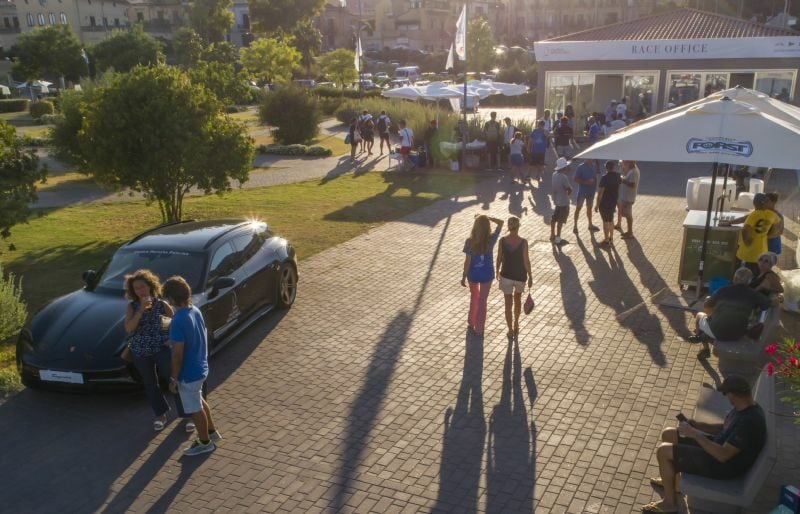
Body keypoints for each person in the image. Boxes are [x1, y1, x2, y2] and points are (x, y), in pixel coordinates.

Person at [641, 375, 767, 514]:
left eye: (726, 394)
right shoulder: (744, 406)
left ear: (733, 395)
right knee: (669, 434)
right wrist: (696, 425)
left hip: (722, 466)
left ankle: (670, 504)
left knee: (663, 451)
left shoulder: (749, 423)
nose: (726, 397)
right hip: (715, 448)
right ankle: (674, 485)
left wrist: (694, 433)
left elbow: (723, 455)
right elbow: (722, 428)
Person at [165, 276, 222, 456]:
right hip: (200, 367)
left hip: (188, 373)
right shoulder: (195, 310)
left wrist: (173, 378)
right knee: (199, 400)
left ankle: (204, 442)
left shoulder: (177, 321)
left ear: (172, 299)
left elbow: (177, 354)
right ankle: (212, 432)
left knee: (194, 409)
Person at [123, 269, 176, 432]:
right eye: (136, 288)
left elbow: (171, 327)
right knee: (150, 384)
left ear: (150, 286)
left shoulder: (162, 305)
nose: (140, 291)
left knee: (173, 380)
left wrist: (167, 339)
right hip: (141, 351)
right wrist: (140, 311)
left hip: (161, 349)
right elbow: (129, 328)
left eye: (142, 287)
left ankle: (187, 414)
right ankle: (160, 415)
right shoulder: (132, 307)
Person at [689, 268, 773, 360]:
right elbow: (767, 304)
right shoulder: (753, 294)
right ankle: (703, 335)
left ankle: (702, 342)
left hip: (717, 331)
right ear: (749, 281)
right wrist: (778, 299)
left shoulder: (723, 290)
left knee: (699, 315)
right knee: (716, 320)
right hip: (737, 334)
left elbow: (707, 305)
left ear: (734, 279)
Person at [461, 215, 504, 336]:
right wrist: (489, 218)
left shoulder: (469, 241)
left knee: (474, 297)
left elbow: (467, 261)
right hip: (487, 274)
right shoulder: (491, 239)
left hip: (472, 275)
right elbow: (501, 222)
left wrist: (464, 276)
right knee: (482, 301)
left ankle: (471, 321)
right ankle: (479, 328)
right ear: (487, 227)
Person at [721, 193, 780, 276]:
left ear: (755, 203)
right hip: (761, 252)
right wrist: (766, 235)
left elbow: (745, 229)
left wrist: (747, 241)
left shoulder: (754, 215)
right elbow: (777, 229)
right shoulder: (771, 215)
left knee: (742, 275)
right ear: (765, 204)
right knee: (756, 275)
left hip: (747, 253)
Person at [495, 217, 532, 338]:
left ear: (509, 227)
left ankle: (510, 330)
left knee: (507, 304)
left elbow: (499, 258)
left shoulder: (502, 241)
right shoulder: (523, 242)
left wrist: (497, 270)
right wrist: (530, 275)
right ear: (518, 226)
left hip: (506, 275)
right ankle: (516, 323)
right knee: (517, 300)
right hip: (520, 276)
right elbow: (526, 261)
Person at [595, 160, 622, 246]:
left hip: (604, 203)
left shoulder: (604, 178)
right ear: (613, 167)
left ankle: (606, 240)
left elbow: (600, 194)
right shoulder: (618, 176)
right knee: (611, 220)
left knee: (605, 222)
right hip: (613, 202)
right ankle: (611, 238)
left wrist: (596, 205)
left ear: (606, 168)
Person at [573, 159, 600, 234]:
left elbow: (595, 178)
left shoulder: (594, 166)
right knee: (578, 208)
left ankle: (590, 224)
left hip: (591, 192)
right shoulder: (580, 167)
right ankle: (575, 225)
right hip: (582, 192)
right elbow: (575, 178)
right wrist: (585, 182)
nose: (592, 159)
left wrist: (595, 188)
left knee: (589, 208)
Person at [550, 157, 573, 245]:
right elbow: (569, 189)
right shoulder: (564, 177)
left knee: (554, 218)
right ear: (564, 167)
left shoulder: (554, 174)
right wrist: (569, 192)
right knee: (560, 220)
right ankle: (558, 238)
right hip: (563, 201)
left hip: (556, 200)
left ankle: (552, 234)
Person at [616, 160, 640, 239]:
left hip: (628, 197)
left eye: (626, 162)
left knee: (628, 215)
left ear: (631, 162)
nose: (625, 164)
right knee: (626, 215)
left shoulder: (633, 172)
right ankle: (629, 231)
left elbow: (632, 184)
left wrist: (622, 180)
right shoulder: (632, 170)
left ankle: (630, 233)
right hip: (626, 196)